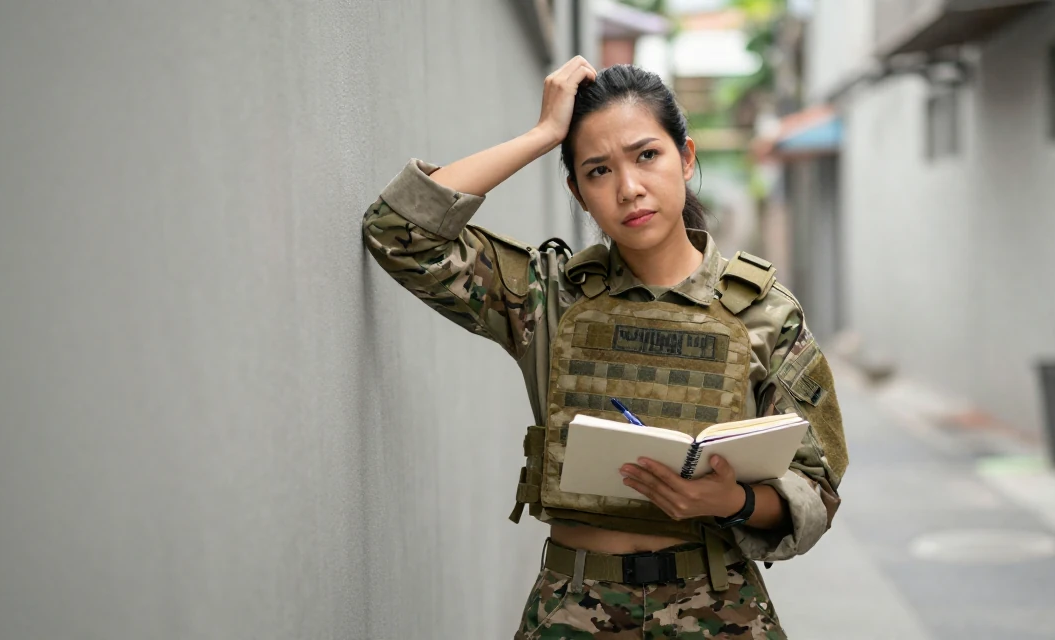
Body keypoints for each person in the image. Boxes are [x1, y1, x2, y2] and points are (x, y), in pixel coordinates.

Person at [362, 56, 848, 639]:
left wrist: (733, 501)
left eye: (647, 155)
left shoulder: (765, 313)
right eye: (598, 170)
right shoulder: (548, 297)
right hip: (573, 611)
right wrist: (542, 135)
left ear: (685, 157)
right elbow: (398, 231)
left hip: (722, 611)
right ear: (578, 190)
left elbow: (816, 488)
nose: (629, 188)